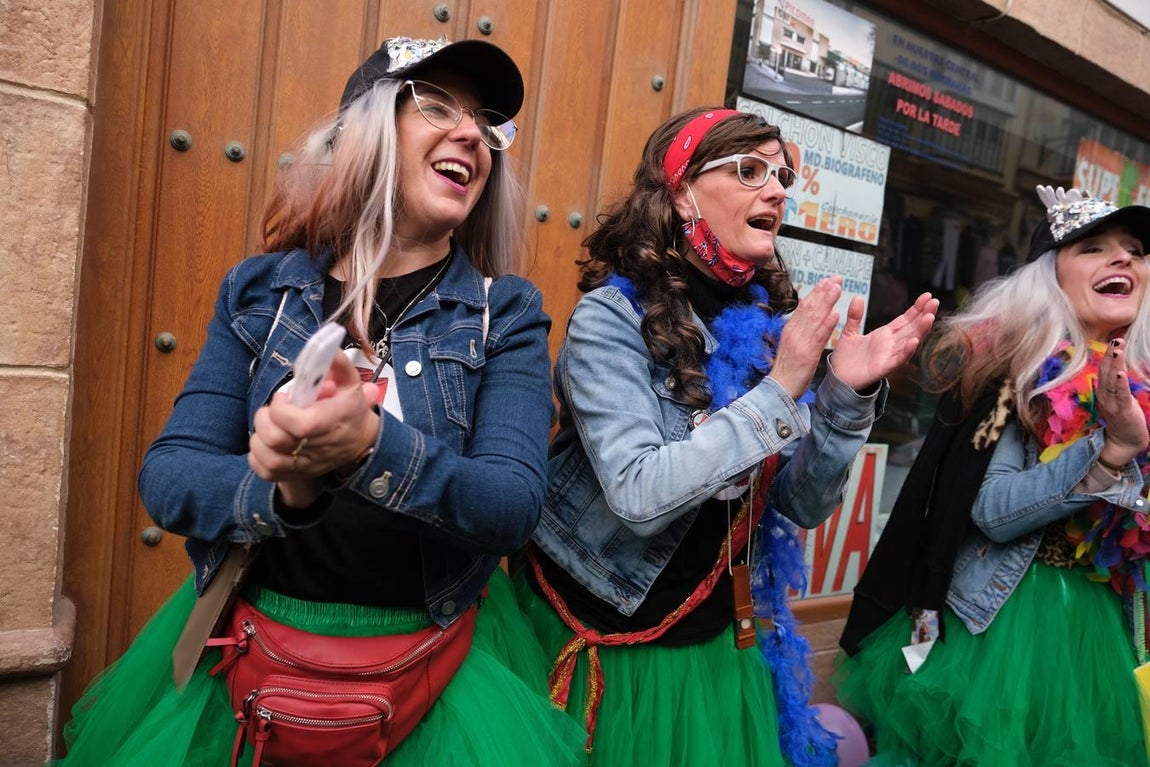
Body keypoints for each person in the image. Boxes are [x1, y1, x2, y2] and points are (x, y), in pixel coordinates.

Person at [55, 35, 585, 767]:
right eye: (435, 104)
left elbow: (512, 502)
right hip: (256, 658)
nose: (473, 133)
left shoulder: (509, 313)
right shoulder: (261, 291)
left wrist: (370, 448)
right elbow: (169, 475)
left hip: (432, 679)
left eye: (486, 122)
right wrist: (286, 488)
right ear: (364, 130)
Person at [511, 106, 938, 766]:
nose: (776, 189)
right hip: (612, 642)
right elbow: (638, 489)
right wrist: (782, 387)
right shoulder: (610, 320)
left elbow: (800, 504)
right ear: (682, 192)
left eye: (782, 175)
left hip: (718, 642)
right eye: (749, 171)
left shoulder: (766, 326)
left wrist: (843, 398)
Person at [836, 185, 1150, 766]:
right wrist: (1110, 452)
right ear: (1048, 277)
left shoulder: (1143, 387)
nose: (1124, 258)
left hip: (1099, 633)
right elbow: (992, 511)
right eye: (1094, 248)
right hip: (1000, 628)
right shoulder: (1016, 374)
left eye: (1134, 248)